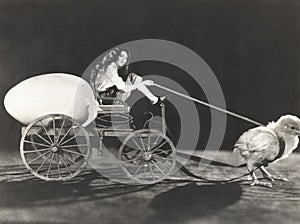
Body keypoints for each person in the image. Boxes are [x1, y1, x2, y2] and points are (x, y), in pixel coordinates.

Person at [90, 47, 161, 105]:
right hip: (106, 99)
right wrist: (142, 83)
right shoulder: (111, 68)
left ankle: (153, 98)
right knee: (133, 77)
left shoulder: (111, 67)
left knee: (136, 79)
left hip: (106, 96)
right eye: (121, 56)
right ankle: (153, 99)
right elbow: (124, 89)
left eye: (125, 58)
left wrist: (139, 84)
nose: (123, 60)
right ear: (116, 57)